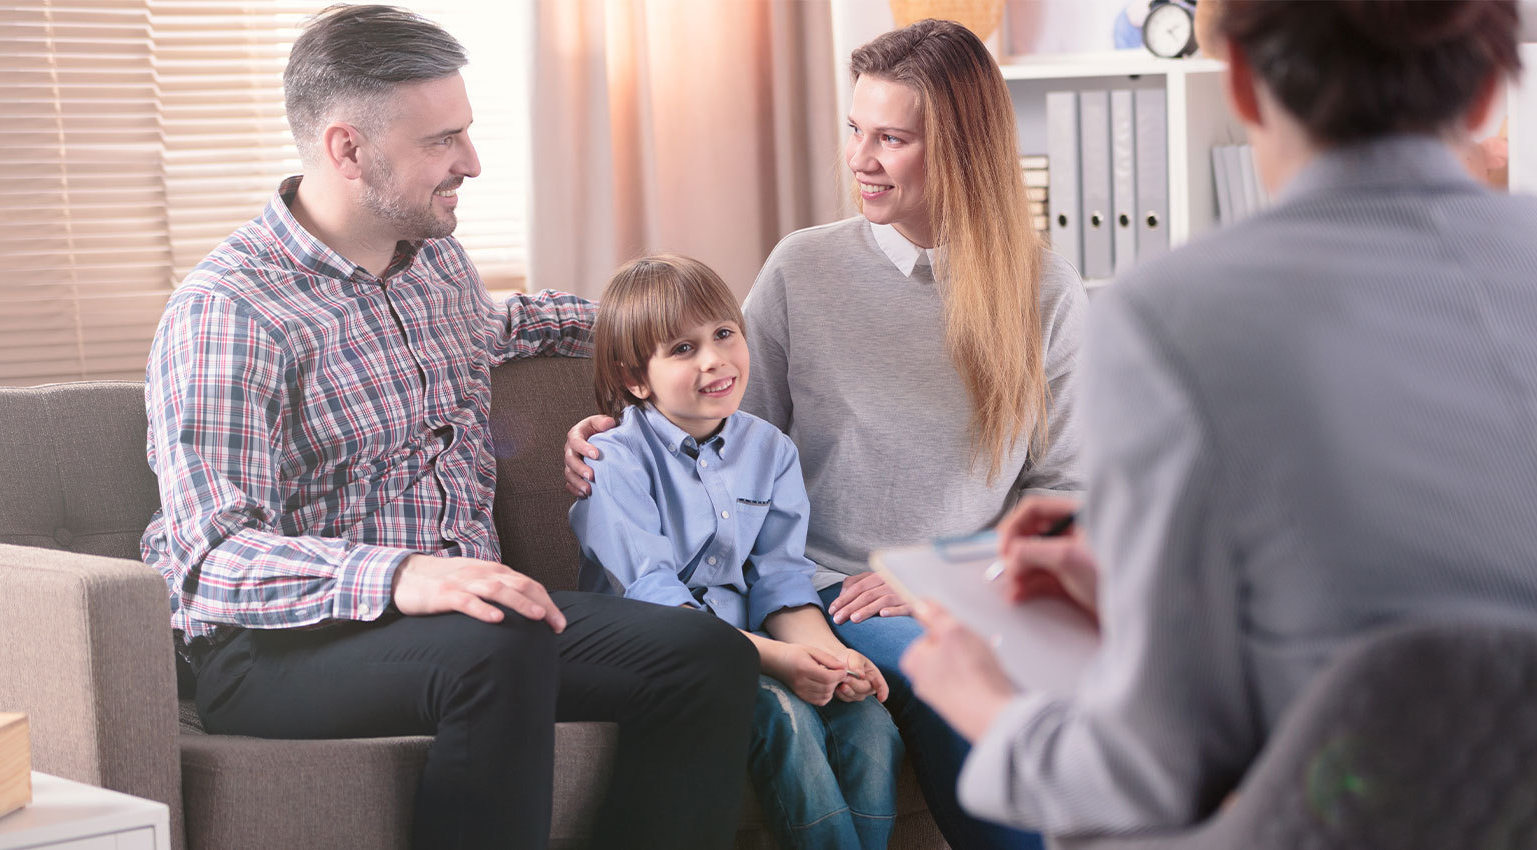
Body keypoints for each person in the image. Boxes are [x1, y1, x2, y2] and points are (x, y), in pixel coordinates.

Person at [900, 0, 1537, 836]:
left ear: (1238, 77)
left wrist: (982, 705)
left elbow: (1147, 772)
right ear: (1493, 86)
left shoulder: (1169, 315)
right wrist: (1153, 595)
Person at [141, 7, 757, 849]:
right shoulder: (229, 312)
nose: (471, 162)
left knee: (705, 655)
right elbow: (211, 558)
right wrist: (401, 576)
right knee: (498, 644)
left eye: (465, 132)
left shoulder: (434, 266)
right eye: (442, 141)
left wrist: (676, 343)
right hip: (281, 651)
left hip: (469, 622)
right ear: (347, 149)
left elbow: (518, 326)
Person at [566, 19, 1085, 850]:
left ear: (959, 147)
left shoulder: (1048, 293)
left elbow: (1068, 488)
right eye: (854, 129)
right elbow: (726, 440)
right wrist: (620, 435)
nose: (860, 158)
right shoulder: (801, 269)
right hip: (816, 589)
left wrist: (946, 582)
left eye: (891, 138)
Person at [571, 254, 905, 850]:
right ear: (634, 378)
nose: (714, 360)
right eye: (681, 349)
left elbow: (781, 577)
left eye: (724, 334)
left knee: (871, 725)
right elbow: (656, 602)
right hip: (664, 653)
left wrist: (830, 657)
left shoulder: (770, 450)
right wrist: (779, 661)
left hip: (759, 641)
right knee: (788, 719)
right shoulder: (612, 462)